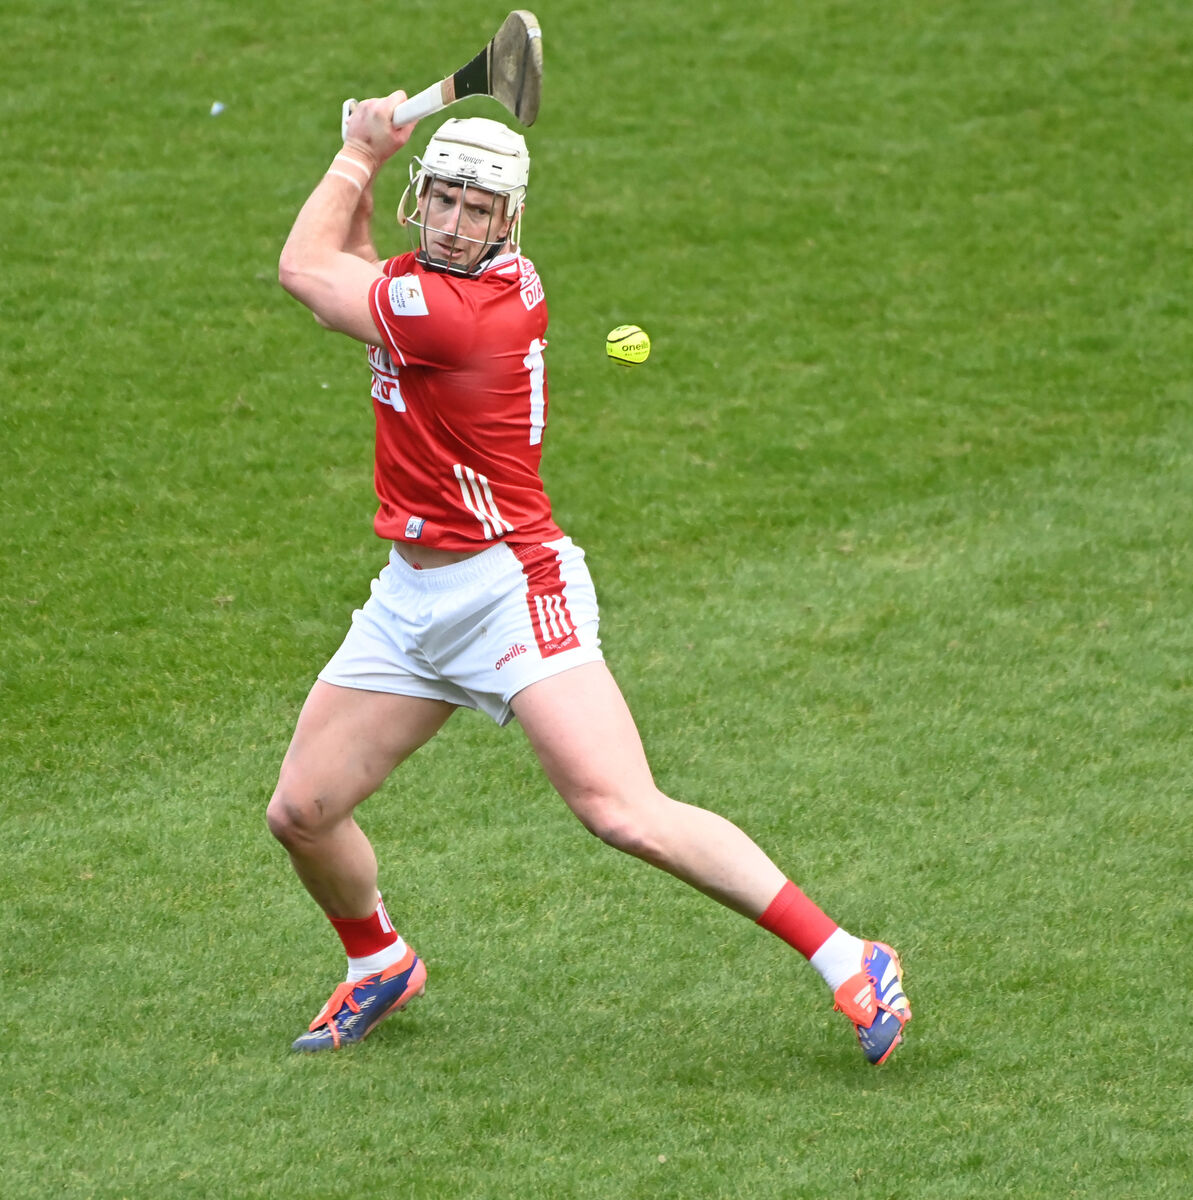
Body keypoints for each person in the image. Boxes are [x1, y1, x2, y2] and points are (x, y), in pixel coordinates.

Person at [271, 90, 911, 1063]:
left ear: (506, 221)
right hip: (413, 596)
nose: (449, 223)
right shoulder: (430, 289)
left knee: (620, 812)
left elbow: (304, 269)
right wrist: (364, 172)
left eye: (471, 209)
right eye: (438, 198)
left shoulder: (458, 313)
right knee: (303, 811)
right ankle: (378, 962)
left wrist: (356, 153)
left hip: (509, 590)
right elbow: (353, 270)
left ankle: (848, 957)